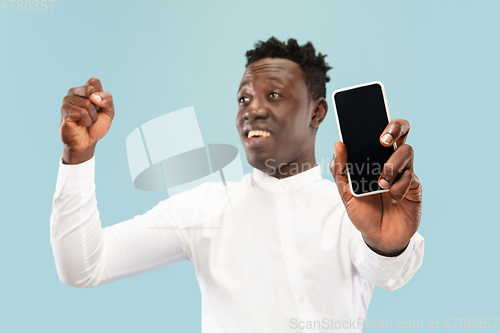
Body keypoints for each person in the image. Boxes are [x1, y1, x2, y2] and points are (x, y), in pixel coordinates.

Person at [50, 37, 424, 333]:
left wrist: (386, 244)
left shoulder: (354, 211)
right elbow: (83, 266)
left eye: (273, 95)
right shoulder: (202, 210)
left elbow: (388, 274)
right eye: (243, 98)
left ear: (317, 112)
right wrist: (78, 157)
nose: (252, 110)